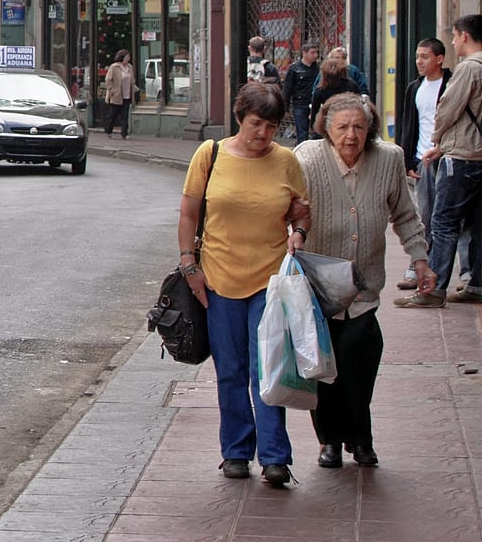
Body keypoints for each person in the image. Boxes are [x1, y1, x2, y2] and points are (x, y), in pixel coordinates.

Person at [178, 81, 309, 487]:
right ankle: (235, 451)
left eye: (271, 126)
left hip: (270, 282)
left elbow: (301, 212)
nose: (263, 134)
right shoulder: (210, 154)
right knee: (230, 370)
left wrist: (299, 233)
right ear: (240, 118)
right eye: (256, 124)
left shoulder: (286, 160)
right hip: (218, 278)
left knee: (267, 368)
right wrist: (189, 265)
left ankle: (274, 456)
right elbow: (188, 214)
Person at [297, 93, 434, 468]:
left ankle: (360, 437)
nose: (351, 135)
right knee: (324, 368)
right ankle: (330, 440)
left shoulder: (388, 158)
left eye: (359, 126)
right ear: (327, 129)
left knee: (360, 361)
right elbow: (288, 209)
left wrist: (420, 262)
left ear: (369, 128)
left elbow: (405, 215)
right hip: (320, 288)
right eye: (342, 127)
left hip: (363, 288)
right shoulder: (307, 158)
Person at [400, 13, 482, 308]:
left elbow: (448, 108)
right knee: (477, 224)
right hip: (478, 155)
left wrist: (437, 141)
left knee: (443, 222)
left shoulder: (469, 68)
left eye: (455, 36)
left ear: (464, 36)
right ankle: (477, 283)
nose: (454, 42)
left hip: (461, 156)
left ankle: (432, 290)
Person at [398, 38, 457, 291]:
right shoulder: (415, 87)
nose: (419, 61)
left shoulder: (452, 85)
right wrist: (408, 160)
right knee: (424, 217)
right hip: (423, 161)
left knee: (450, 219)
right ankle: (417, 267)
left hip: (449, 158)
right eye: (417, 57)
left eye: (425, 57)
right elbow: (408, 123)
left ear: (439, 59)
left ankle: (467, 274)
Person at [284, 44, 321, 144]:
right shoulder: (294, 68)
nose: (315, 55)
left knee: (317, 131)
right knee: (302, 131)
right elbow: (287, 88)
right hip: (300, 103)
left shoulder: (318, 69)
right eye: (312, 52)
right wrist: (285, 107)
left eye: (316, 52)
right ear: (304, 53)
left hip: (314, 103)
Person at [309, 55, 359, 130]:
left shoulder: (321, 89)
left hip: (329, 120)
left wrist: (313, 127)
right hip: (349, 117)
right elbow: (359, 102)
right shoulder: (351, 84)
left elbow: (315, 110)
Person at [103, 50, 134, 138]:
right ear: (122, 57)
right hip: (117, 95)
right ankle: (108, 130)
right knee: (113, 114)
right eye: (127, 57)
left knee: (125, 115)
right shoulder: (114, 67)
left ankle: (124, 133)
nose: (128, 59)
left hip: (127, 94)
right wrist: (112, 90)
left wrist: (133, 88)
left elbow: (132, 79)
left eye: (129, 57)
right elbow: (108, 79)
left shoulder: (129, 67)